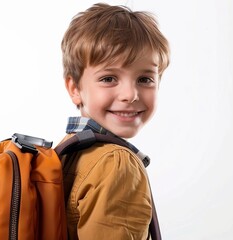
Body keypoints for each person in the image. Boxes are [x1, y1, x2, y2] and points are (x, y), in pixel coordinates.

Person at [59, 3, 170, 239]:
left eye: (145, 79)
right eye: (109, 78)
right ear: (74, 88)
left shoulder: (67, 152)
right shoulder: (117, 164)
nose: (130, 94)